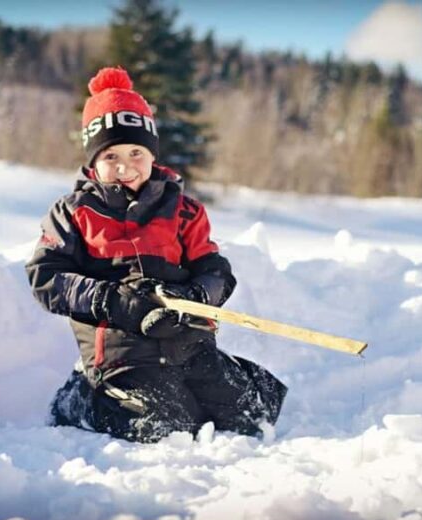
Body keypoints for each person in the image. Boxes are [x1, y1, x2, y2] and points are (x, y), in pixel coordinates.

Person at [25, 66, 287, 443]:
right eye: (110, 156)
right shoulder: (72, 214)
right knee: (164, 427)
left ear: (152, 154)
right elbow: (47, 279)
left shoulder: (184, 211)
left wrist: (196, 297)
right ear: (92, 160)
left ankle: (195, 394)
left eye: (136, 152)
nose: (124, 166)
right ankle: (82, 398)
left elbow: (216, 271)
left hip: (188, 344)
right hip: (122, 354)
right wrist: (115, 300)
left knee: (252, 415)